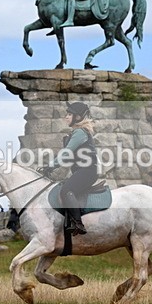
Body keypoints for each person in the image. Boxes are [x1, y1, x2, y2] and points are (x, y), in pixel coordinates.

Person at [37, 101, 97, 235]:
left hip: (87, 171)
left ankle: (78, 224)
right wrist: (51, 167)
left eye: (69, 114)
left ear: (78, 117)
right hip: (82, 171)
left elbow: (66, 153)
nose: (66, 117)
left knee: (66, 190)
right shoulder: (77, 133)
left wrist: (50, 166)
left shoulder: (80, 133)